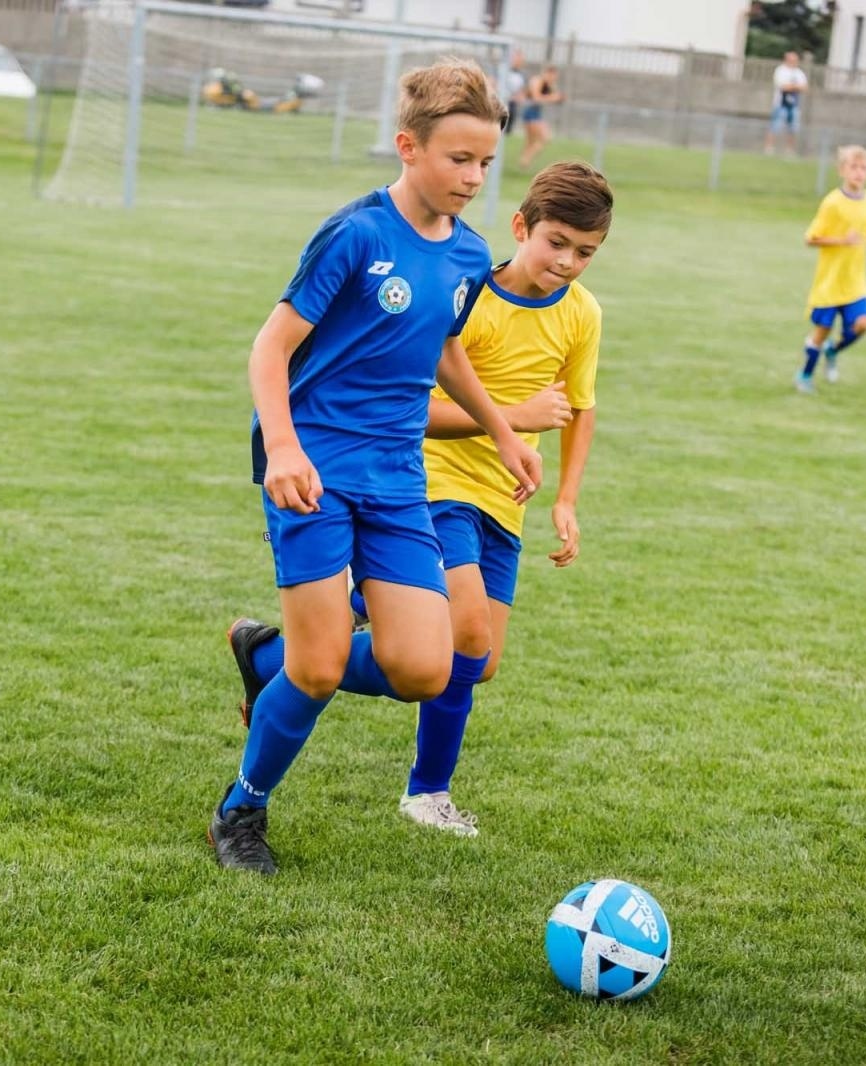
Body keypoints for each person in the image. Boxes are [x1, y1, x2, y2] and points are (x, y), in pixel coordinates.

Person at [209, 58, 542, 876]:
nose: (473, 177)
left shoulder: (468, 256)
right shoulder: (356, 235)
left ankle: (263, 658)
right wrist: (283, 447)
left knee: (426, 668)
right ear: (408, 147)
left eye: (485, 163)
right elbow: (271, 345)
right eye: (458, 159)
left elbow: (446, 347)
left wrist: (500, 431)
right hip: (315, 464)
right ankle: (240, 812)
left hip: (398, 477)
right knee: (319, 668)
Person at [229, 162, 612, 838]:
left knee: (456, 665)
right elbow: (290, 351)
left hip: (454, 490)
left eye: (486, 162)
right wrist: (510, 418)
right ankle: (284, 805)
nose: (569, 262)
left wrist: (534, 463)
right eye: (557, 242)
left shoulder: (519, 282)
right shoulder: (387, 246)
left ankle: (272, 657)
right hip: (394, 477)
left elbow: (533, 386)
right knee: (386, 654)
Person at [796, 144, 866, 393]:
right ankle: (804, 376)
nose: (859, 172)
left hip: (855, 282)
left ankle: (833, 351)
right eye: (853, 167)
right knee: (821, 332)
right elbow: (810, 238)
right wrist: (841, 241)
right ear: (842, 171)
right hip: (829, 283)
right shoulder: (832, 203)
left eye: (864, 168)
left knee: (864, 324)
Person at [763, 52, 809, 155]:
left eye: (795, 60)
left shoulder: (799, 73)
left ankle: (790, 150)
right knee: (774, 126)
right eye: (791, 60)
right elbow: (782, 86)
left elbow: (804, 87)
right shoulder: (781, 71)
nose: (793, 62)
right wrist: (796, 87)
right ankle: (769, 148)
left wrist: (791, 86)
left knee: (793, 128)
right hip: (780, 104)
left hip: (794, 105)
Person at [518, 65, 563, 168]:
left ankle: (523, 163)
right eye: (553, 76)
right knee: (545, 137)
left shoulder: (548, 84)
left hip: (535, 112)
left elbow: (555, 96)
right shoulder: (537, 80)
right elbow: (536, 98)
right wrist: (553, 97)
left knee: (531, 140)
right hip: (530, 112)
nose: (554, 79)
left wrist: (556, 96)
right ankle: (525, 160)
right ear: (548, 73)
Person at [503, 49, 527, 134]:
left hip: (512, 105)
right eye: (516, 59)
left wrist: (520, 97)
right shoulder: (503, 70)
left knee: (507, 131)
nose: (518, 61)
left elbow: (522, 91)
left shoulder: (522, 74)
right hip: (501, 104)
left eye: (520, 59)